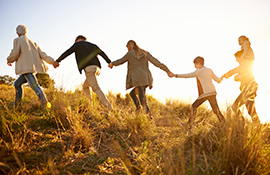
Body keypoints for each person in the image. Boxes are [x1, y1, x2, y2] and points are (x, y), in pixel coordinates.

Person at [109, 40, 173, 117]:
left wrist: (112, 63)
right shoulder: (145, 53)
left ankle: (149, 118)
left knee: (143, 100)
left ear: (129, 46)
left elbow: (120, 61)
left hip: (138, 79)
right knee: (133, 94)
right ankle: (139, 111)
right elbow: (157, 63)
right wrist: (167, 70)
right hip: (146, 78)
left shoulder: (130, 54)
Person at [55, 35, 113, 110]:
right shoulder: (92, 45)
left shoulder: (77, 44)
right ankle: (90, 107)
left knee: (95, 87)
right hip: (97, 68)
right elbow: (101, 53)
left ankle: (109, 108)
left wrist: (58, 61)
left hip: (89, 68)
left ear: (78, 40)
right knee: (85, 86)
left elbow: (67, 52)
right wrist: (109, 62)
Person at [7, 25, 57, 108]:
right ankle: (18, 105)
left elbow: (15, 53)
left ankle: (45, 105)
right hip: (31, 69)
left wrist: (9, 60)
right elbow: (43, 55)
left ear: (17, 33)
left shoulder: (17, 40)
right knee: (17, 84)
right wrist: (53, 62)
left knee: (35, 86)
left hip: (26, 69)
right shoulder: (33, 43)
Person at [170, 56, 225, 125]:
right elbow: (218, 80)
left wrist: (175, 75)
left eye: (195, 64)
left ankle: (190, 123)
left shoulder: (199, 71)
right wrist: (221, 78)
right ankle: (224, 123)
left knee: (194, 106)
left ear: (199, 63)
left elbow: (188, 75)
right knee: (216, 110)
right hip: (212, 92)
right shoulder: (209, 70)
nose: (195, 66)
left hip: (205, 94)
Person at [221, 36, 260, 123]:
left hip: (249, 89)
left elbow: (236, 70)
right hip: (251, 88)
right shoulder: (246, 65)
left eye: (237, 59)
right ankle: (258, 125)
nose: (236, 61)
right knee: (251, 111)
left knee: (235, 106)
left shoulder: (246, 63)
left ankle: (242, 123)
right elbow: (244, 74)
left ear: (241, 57)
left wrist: (224, 76)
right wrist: (239, 78)